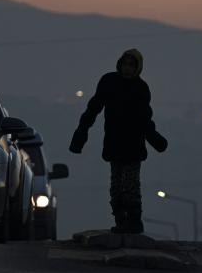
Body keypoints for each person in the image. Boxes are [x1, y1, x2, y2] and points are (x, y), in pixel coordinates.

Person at [69, 48, 168, 234]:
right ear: (119, 64)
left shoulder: (141, 88)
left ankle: (134, 222)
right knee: (116, 188)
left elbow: (145, 119)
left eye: (132, 65)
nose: (127, 68)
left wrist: (155, 139)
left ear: (138, 68)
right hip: (114, 145)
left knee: (130, 186)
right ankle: (121, 222)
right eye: (125, 63)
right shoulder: (109, 82)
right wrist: (80, 134)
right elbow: (93, 108)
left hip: (134, 146)